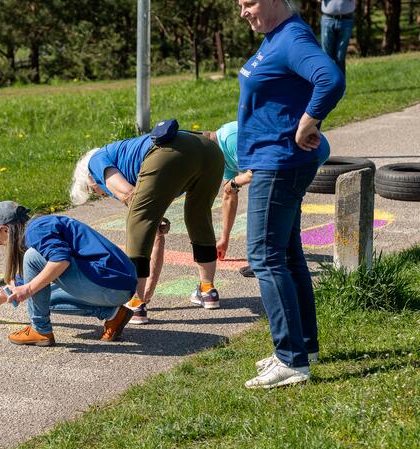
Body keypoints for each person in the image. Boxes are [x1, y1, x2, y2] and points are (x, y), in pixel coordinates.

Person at [237, 0, 345, 389]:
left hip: (279, 163)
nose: (243, 12)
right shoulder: (276, 37)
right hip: (277, 160)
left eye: (248, 2)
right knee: (286, 253)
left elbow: (330, 79)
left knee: (265, 257)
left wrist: (308, 121)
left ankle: (291, 360)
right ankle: (305, 347)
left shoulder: (291, 38)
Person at [70, 128, 225, 324]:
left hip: (168, 152)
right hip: (210, 152)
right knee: (198, 216)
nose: (99, 193)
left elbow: (128, 193)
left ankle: (134, 303)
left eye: (93, 190)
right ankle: (207, 290)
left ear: (90, 179)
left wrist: (146, 216)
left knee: (136, 224)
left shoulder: (95, 162)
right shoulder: (126, 156)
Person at [0, 201, 136, 346]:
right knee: (40, 298)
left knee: (32, 259)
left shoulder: (35, 230)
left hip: (110, 283)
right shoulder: (38, 228)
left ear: (5, 229)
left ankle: (40, 330)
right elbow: (17, 285)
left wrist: (29, 289)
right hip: (117, 285)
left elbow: (61, 260)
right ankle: (114, 314)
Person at [206, 121, 332, 278]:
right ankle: (285, 256)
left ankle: (266, 261)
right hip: (299, 152)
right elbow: (229, 194)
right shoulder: (218, 153)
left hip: (311, 147)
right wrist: (224, 238)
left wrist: (235, 181)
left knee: (269, 202)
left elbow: (257, 171)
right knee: (285, 203)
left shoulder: (230, 140)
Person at [320, 0, 355, 75]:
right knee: (326, 56)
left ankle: (340, 85)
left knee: (340, 57)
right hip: (327, 19)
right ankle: (327, 84)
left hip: (346, 20)